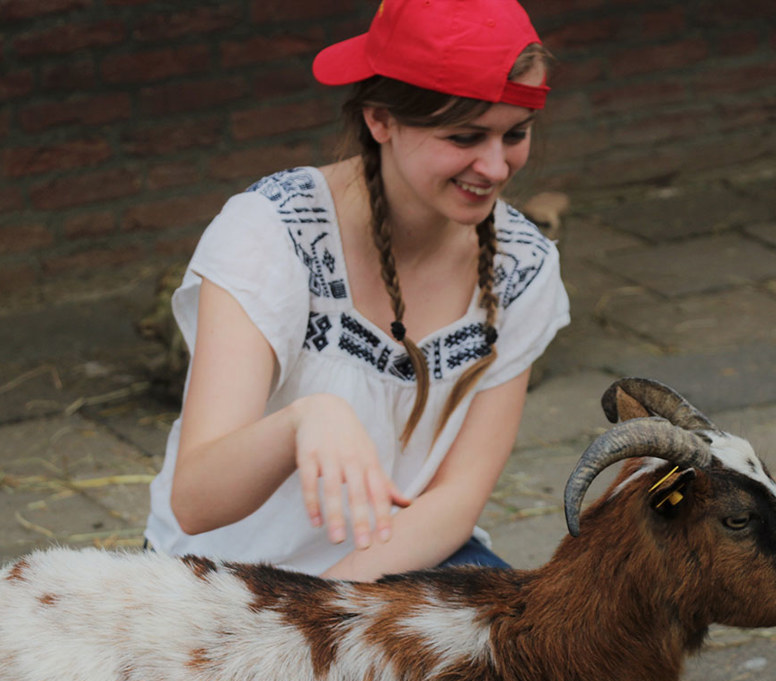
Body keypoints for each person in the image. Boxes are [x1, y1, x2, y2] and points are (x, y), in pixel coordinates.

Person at [143, 0, 570, 581]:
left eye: (515, 134)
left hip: (396, 563)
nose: (495, 167)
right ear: (381, 120)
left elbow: (454, 503)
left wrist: (325, 624)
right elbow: (197, 500)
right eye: (465, 136)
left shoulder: (524, 266)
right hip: (222, 581)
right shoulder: (272, 231)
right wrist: (303, 421)